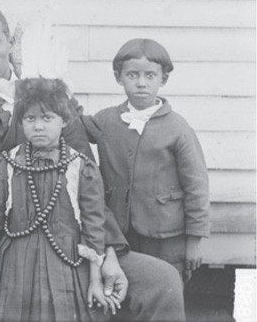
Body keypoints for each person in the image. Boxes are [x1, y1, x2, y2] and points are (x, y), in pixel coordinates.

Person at [0, 3, 186, 322]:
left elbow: (90, 190)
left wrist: (109, 252)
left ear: (10, 43)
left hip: (67, 246)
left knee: (162, 282)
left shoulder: (53, 100)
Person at [0, 78, 111, 322]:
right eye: (30, 119)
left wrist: (95, 278)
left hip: (66, 263)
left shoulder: (80, 167)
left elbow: (94, 225)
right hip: (16, 264)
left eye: (47, 118)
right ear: (20, 122)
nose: (38, 126)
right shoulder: (6, 164)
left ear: (64, 121)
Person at [82, 38, 210, 283]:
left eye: (150, 76)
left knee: (165, 287)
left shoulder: (178, 128)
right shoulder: (106, 120)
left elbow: (197, 188)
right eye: (132, 75)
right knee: (126, 288)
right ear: (118, 77)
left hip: (167, 235)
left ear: (163, 79)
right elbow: (74, 124)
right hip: (122, 232)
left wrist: (194, 242)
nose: (141, 83)